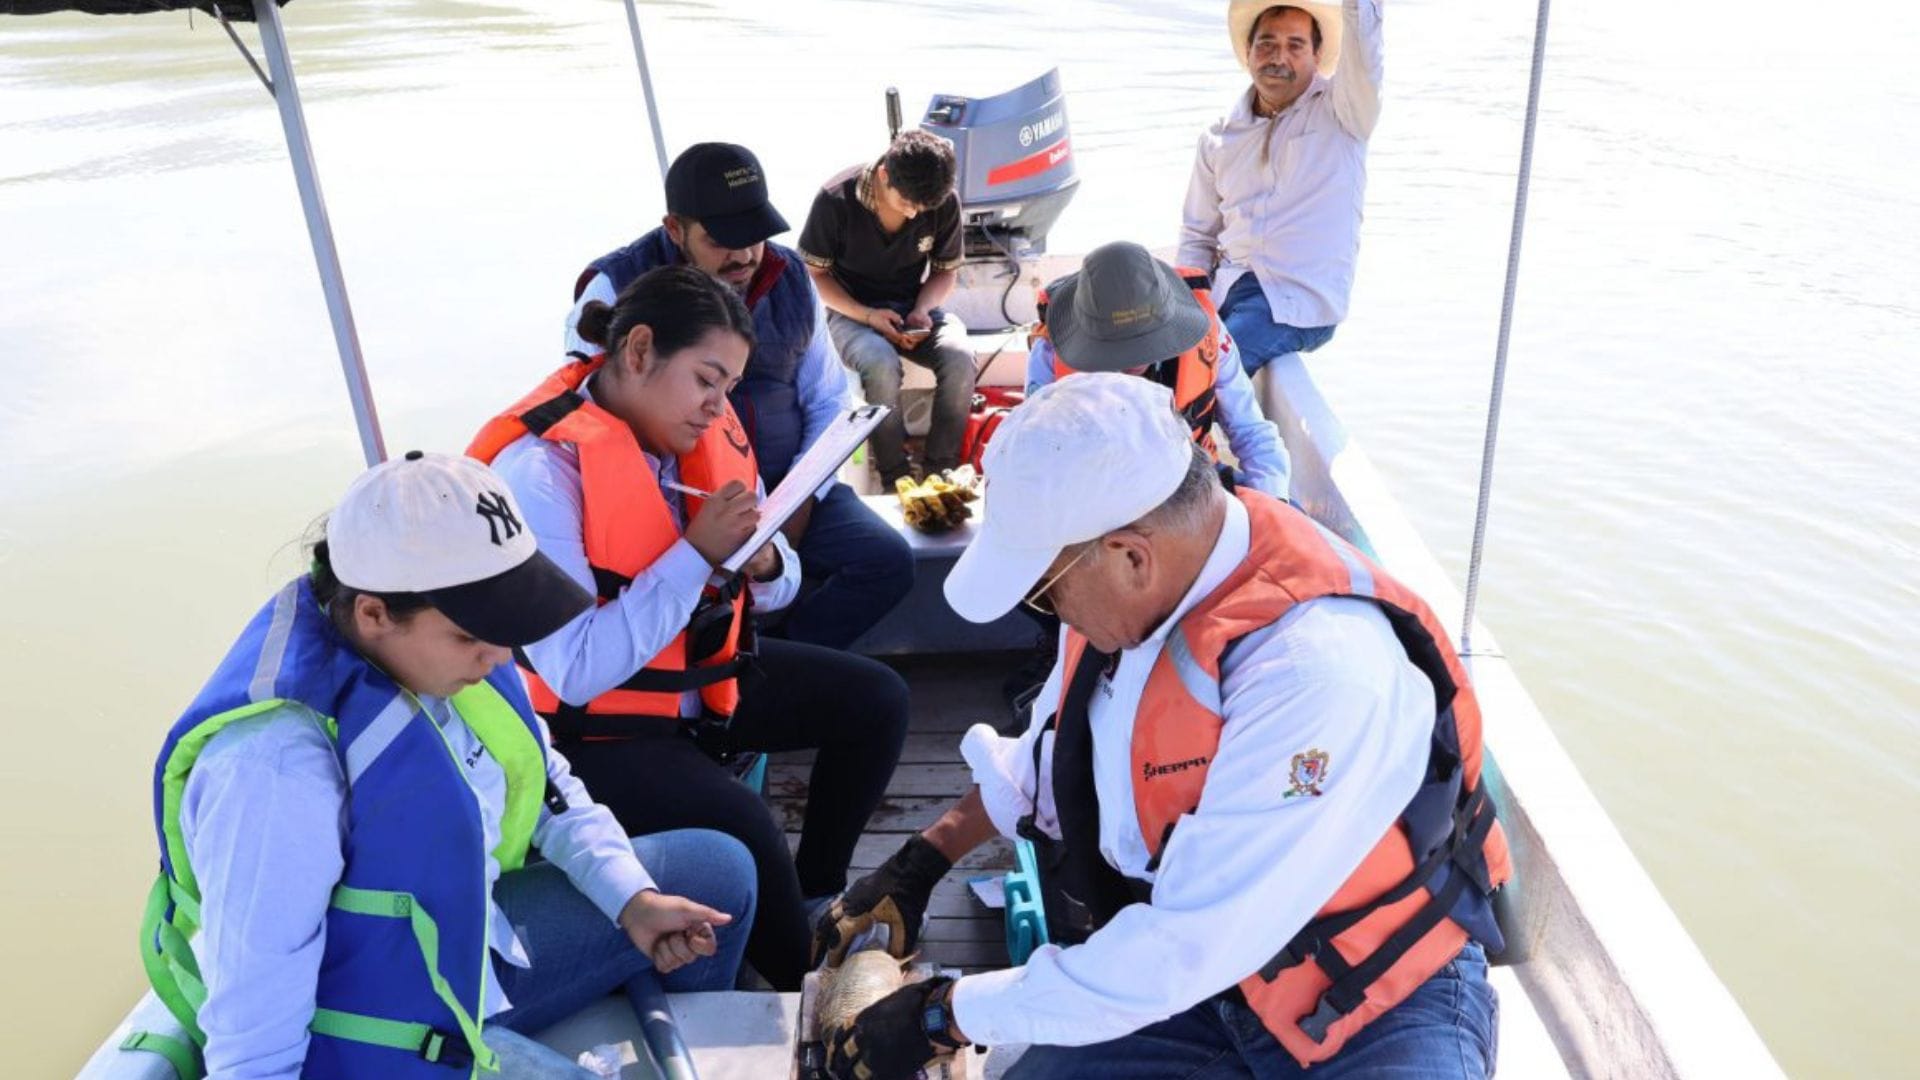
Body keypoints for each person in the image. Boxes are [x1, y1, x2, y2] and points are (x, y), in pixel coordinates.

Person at [814, 374, 1511, 1079]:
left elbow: (1189, 945)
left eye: (1043, 589)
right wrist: (923, 859)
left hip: (1378, 1002)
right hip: (1208, 993)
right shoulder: (1138, 587)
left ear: (1130, 555)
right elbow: (1054, 756)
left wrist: (943, 1013)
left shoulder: (1315, 668)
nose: (1044, 609)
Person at [138, 451, 757, 1079]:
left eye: (506, 622)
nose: (498, 654)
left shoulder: (447, 660)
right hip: (379, 1029)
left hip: (467, 946)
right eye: (471, 635)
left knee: (720, 871)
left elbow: (549, 787)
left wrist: (633, 901)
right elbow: (254, 1037)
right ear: (373, 613)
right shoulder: (273, 770)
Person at [479, 266, 910, 991]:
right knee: (744, 827)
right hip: (597, 732)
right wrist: (695, 555)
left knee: (878, 702)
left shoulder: (705, 436)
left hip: (703, 682)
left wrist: (769, 561)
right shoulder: (541, 473)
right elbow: (574, 668)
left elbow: (778, 595)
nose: (717, 407)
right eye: (707, 380)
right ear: (639, 350)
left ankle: (811, 899)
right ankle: (801, 983)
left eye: (729, 386)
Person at [567, 141, 912, 650]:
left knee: (887, 562)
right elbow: (589, 421)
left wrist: (797, 500)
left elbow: (828, 399)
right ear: (675, 230)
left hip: (789, 484)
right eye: (722, 239)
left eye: (756, 234)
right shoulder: (613, 288)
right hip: (674, 500)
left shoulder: (791, 276)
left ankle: (781, 660)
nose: (745, 255)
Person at [1178, 1, 1385, 375]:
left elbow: (1366, 56)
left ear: (1318, 55)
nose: (1279, 57)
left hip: (1297, 301)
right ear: (1248, 51)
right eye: (1267, 44)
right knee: (1149, 351)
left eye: (1295, 45)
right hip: (1227, 289)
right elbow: (1197, 237)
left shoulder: (1344, 113)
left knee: (1209, 368)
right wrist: (1190, 307)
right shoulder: (1219, 137)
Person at [1027, 239, 1291, 499]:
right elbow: (1038, 455)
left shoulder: (1210, 332)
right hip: (1099, 491)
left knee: (1290, 523)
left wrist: (1274, 501)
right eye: (1119, 348)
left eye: (1146, 343)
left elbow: (1252, 432)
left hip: (1194, 478)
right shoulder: (1050, 350)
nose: (1134, 359)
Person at [797, 129, 976, 489]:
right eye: (907, 203)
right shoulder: (834, 201)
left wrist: (923, 309)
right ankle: (896, 475)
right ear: (883, 175)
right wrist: (868, 316)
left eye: (922, 209)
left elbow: (944, 272)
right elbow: (815, 275)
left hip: (912, 306)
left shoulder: (939, 201)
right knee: (879, 363)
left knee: (960, 355)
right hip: (849, 312)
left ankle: (940, 469)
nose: (913, 215)